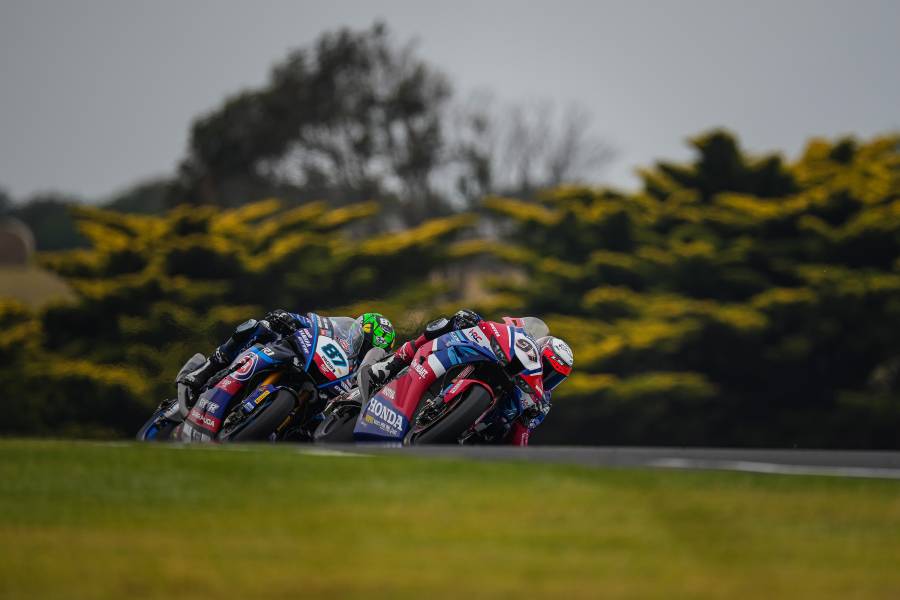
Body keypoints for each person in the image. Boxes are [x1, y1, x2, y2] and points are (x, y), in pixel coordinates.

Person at [366, 309, 574, 445]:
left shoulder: (541, 402)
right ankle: (388, 366)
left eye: (555, 377)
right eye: (546, 366)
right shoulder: (519, 348)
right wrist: (474, 321)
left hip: (480, 431)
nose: (547, 376)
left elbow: (521, 442)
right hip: (489, 362)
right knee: (445, 325)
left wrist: (526, 422)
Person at [178, 309, 396, 396]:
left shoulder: (363, 371)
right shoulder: (336, 332)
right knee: (260, 326)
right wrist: (287, 317)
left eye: (372, 350)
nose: (364, 350)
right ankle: (208, 369)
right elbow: (313, 322)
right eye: (364, 343)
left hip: (320, 391)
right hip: (295, 354)